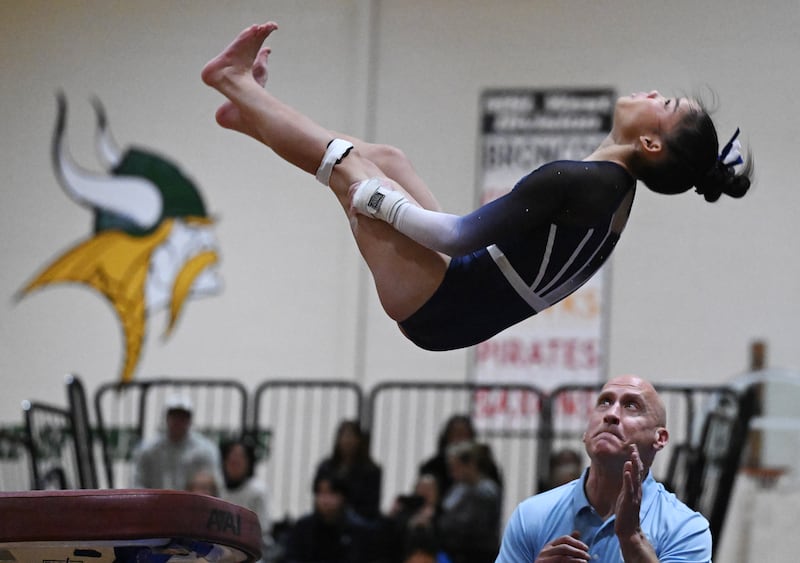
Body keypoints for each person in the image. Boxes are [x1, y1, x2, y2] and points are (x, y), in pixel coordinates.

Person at [201, 22, 753, 352]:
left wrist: (378, 201)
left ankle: (232, 81)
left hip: (438, 303)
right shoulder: (611, 189)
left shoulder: (582, 181)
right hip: (458, 297)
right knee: (388, 158)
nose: (656, 92)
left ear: (653, 145)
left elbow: (455, 236)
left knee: (351, 170)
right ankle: (251, 111)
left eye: (667, 105)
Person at [495, 375, 712, 563]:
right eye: (605, 402)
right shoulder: (532, 515)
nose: (611, 414)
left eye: (631, 406)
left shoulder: (685, 528)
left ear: (660, 438)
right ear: (586, 432)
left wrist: (632, 538)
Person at [131, 394, 223, 491]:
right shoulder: (148, 450)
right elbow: (137, 483)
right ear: (167, 418)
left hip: (194, 504)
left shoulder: (205, 450)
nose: (178, 421)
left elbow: (215, 486)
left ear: (190, 420)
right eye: (174, 416)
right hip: (154, 504)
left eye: (183, 417)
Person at [284, 473, 381, 563]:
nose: (325, 500)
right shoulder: (304, 527)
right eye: (320, 493)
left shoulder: (359, 531)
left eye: (331, 493)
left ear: (343, 497)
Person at [436, 442, 502, 563]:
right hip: (455, 552)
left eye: (455, 467)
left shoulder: (486, 491)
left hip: (478, 553)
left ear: (470, 464)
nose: (452, 473)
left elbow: (474, 525)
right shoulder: (458, 489)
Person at [418, 415, 501, 501]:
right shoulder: (432, 467)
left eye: (464, 435)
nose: (459, 440)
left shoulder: (487, 473)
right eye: (456, 434)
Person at [220, 437, 276, 562]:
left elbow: (264, 528)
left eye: (240, 457)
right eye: (231, 456)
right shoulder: (218, 489)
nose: (235, 460)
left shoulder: (258, 491)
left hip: (253, 550)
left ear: (249, 462)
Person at [314, 420, 382, 522]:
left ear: (359, 440)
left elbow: (370, 504)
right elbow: (318, 491)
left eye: (351, 437)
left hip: (358, 516)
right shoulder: (326, 467)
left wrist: (341, 503)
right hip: (327, 515)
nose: (347, 441)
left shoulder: (370, 470)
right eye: (344, 437)